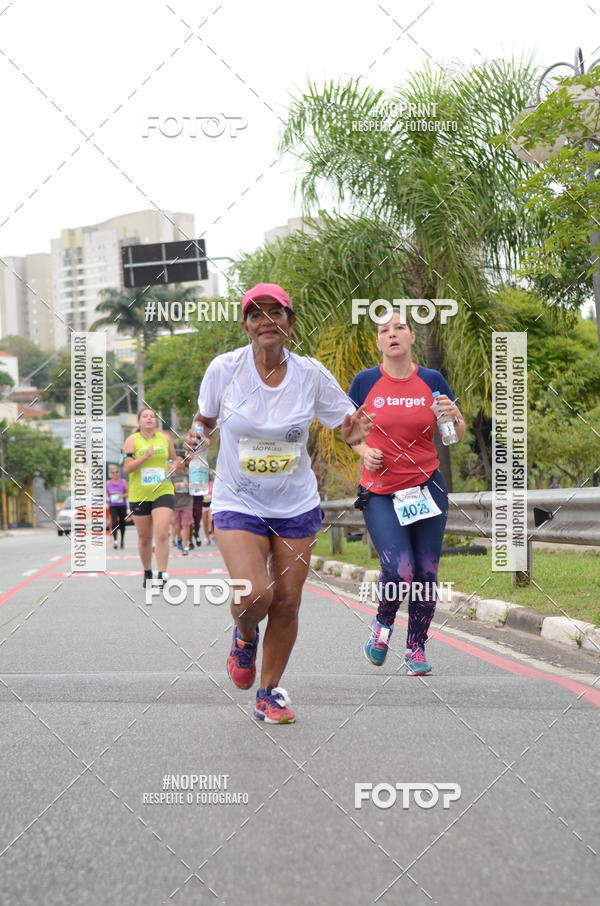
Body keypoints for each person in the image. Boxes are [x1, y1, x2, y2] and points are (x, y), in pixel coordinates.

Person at [187, 283, 370, 724]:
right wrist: (196, 436)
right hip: (238, 499)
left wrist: (355, 436)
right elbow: (204, 420)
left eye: (276, 313)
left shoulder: (310, 374)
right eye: (256, 314)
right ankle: (244, 636)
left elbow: (346, 423)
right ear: (245, 325)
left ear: (290, 323)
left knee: (287, 601)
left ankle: (269, 693)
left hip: (295, 504)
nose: (266, 320)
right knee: (255, 594)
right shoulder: (225, 369)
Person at [348, 309, 465, 675]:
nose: (393, 334)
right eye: (385, 330)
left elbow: (455, 434)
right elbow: (349, 433)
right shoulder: (365, 382)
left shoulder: (432, 380)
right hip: (381, 489)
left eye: (400, 328)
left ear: (412, 337)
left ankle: (416, 647)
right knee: (399, 569)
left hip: (426, 487)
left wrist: (453, 416)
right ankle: (381, 628)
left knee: (427, 572)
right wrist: (364, 451)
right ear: (379, 341)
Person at [122, 408, 177, 588]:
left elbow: (175, 459)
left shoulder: (165, 438)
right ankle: (148, 572)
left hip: (163, 490)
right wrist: (145, 456)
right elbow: (127, 468)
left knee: (161, 532)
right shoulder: (132, 441)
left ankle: (162, 573)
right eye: (145, 416)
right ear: (139, 421)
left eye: (152, 416)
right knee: (144, 538)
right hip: (140, 494)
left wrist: (174, 466)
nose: (149, 419)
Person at [171, 456, 193, 556]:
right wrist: (173, 488)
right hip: (175, 504)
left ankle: (186, 546)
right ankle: (179, 538)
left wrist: (190, 486)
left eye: (182, 460)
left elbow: (197, 486)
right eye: (177, 460)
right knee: (176, 526)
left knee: (186, 524)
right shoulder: (171, 475)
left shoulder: (189, 474)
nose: (180, 462)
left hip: (187, 502)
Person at [106, 465, 128, 549]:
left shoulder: (123, 482)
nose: (115, 474)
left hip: (122, 505)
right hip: (113, 505)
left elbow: (128, 493)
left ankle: (122, 540)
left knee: (122, 523)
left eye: (116, 472)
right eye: (113, 472)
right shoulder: (108, 483)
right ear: (111, 474)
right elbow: (106, 493)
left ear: (119, 473)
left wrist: (121, 496)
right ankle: (115, 541)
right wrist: (107, 497)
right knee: (114, 522)